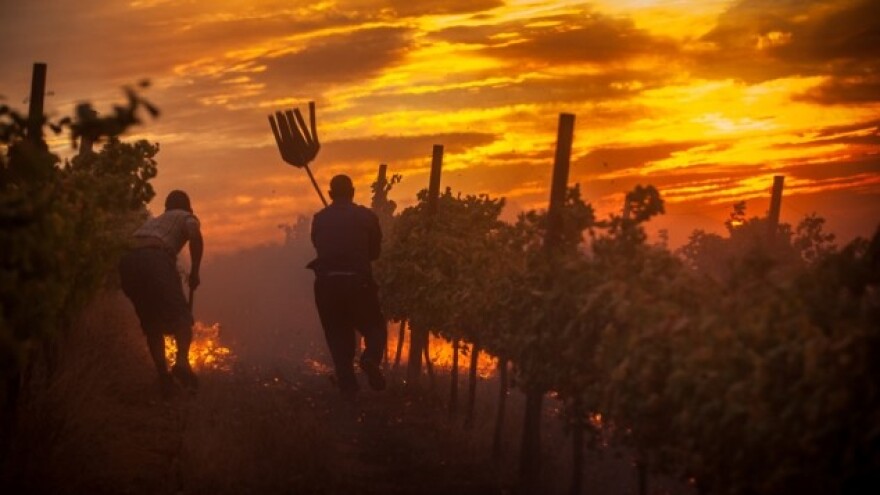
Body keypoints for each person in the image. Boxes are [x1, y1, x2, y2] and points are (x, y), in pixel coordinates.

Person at [308, 174, 387, 397]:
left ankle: (348, 389)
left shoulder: (319, 219)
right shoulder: (367, 217)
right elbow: (375, 253)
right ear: (352, 193)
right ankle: (370, 358)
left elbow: (318, 246)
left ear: (331, 194)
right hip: (358, 282)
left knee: (337, 336)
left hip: (327, 285)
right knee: (374, 327)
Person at [119, 190, 203, 396]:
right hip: (154, 258)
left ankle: (164, 379)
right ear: (187, 207)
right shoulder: (186, 217)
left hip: (127, 263)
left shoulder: (154, 222)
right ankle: (182, 363)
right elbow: (195, 236)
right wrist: (195, 271)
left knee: (152, 324)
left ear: (166, 208)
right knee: (182, 317)